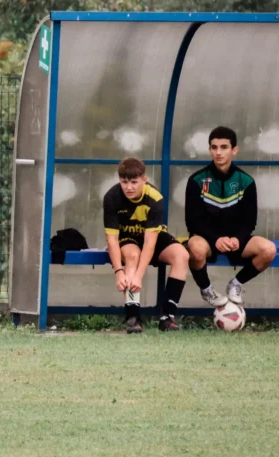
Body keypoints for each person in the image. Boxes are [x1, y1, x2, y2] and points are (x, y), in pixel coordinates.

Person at [184, 126, 276, 307]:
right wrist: (215, 239)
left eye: (224, 147)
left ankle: (236, 284)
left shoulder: (246, 181)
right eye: (214, 147)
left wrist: (238, 239)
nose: (218, 152)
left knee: (269, 250)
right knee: (195, 247)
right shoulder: (196, 180)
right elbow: (192, 221)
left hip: (236, 240)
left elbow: (250, 221)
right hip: (207, 239)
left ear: (234, 150)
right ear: (210, 149)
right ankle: (207, 290)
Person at [103, 157, 189, 333]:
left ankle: (167, 317)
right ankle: (133, 317)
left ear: (144, 179)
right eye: (124, 182)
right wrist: (118, 272)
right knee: (132, 255)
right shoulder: (111, 197)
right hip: (127, 238)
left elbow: (150, 241)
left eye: (134, 182)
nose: (129, 187)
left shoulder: (155, 197)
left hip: (150, 236)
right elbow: (112, 239)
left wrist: (139, 276)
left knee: (182, 255)